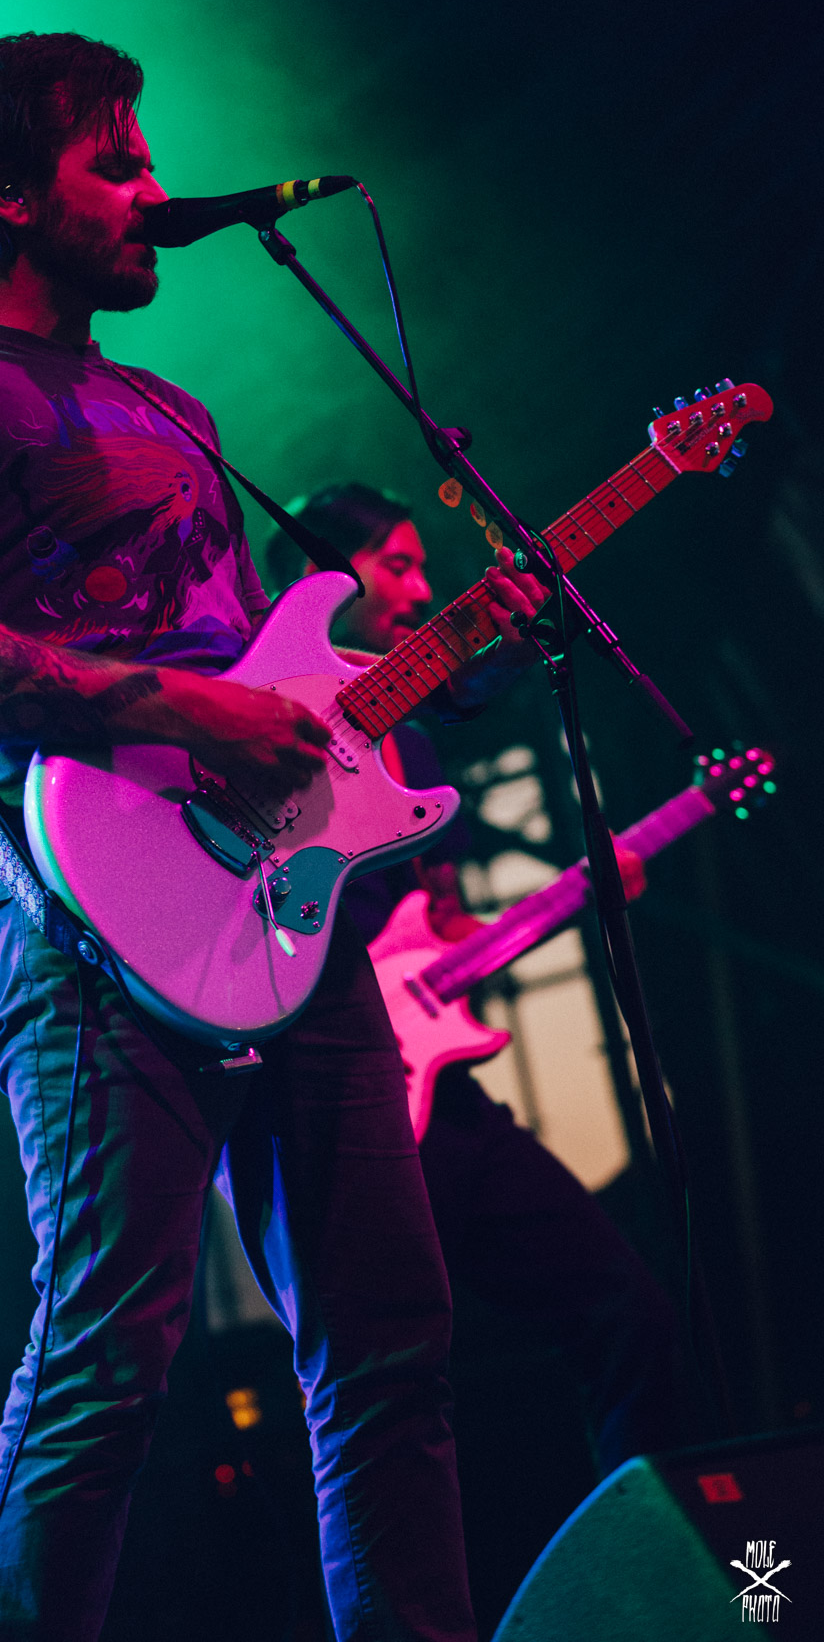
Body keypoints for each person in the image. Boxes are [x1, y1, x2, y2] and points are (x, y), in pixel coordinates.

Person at [0, 32, 547, 1642]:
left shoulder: (171, 405)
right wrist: (189, 715)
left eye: (148, 160)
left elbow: (267, 679)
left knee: (387, 1339)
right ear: (12, 193)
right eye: (116, 165)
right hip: (74, 922)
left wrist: (403, 687)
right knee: (110, 1354)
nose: (156, 191)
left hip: (282, 906)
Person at [265, 483, 688, 1476]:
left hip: (440, 1100)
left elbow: (441, 928)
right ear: (320, 579)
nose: (420, 591)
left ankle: (641, 1560)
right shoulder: (260, 716)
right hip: (324, 1090)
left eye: (422, 567)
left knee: (629, 1312)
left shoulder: (412, 743)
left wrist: (572, 898)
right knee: (387, 1382)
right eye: (397, 566)